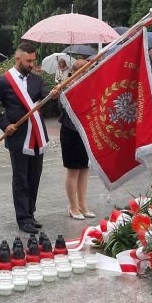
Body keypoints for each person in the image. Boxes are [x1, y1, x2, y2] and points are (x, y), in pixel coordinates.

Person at [0, 43, 60, 235]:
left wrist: (53, 96)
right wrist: (4, 124)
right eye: (28, 61)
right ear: (17, 59)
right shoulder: (3, 81)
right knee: (21, 179)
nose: (32, 64)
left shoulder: (37, 80)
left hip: (37, 137)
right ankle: (22, 218)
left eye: (33, 61)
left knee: (34, 177)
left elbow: (46, 104)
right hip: (18, 137)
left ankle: (30, 213)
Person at [60, 59, 95, 220]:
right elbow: (63, 107)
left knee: (84, 169)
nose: (87, 74)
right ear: (74, 73)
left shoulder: (90, 85)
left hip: (84, 132)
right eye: (84, 71)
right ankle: (72, 206)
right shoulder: (66, 87)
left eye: (88, 71)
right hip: (70, 132)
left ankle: (82, 204)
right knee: (73, 170)